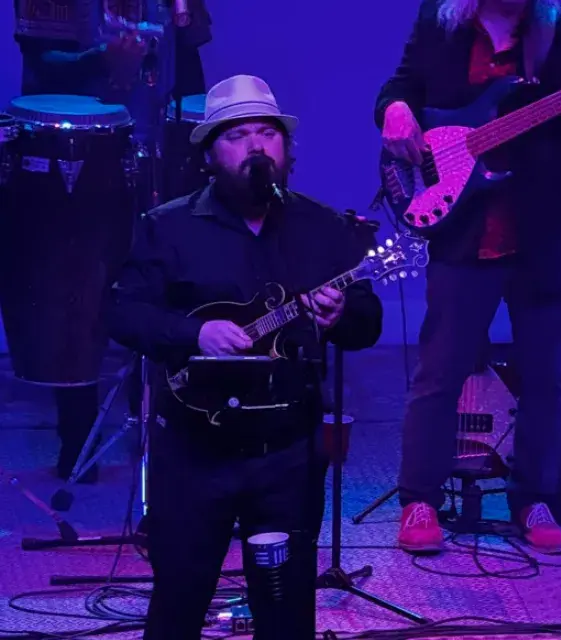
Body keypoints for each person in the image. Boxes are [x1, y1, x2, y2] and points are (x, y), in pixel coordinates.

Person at [105, 74, 384, 639]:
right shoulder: (169, 227)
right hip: (193, 449)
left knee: (284, 612)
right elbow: (123, 316)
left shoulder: (322, 227)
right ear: (210, 154)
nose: (257, 147)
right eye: (238, 135)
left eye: (268, 133)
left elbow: (366, 321)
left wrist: (339, 317)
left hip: (286, 451)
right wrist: (194, 334)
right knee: (180, 599)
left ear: (287, 148)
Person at [376, 0, 561, 554]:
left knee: (547, 380)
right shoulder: (442, 20)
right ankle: (419, 499)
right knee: (439, 373)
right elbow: (400, 88)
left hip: (550, 233)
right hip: (466, 227)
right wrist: (394, 109)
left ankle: (533, 499)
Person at [11, 0, 212, 482]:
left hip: (157, 136)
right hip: (79, 141)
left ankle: (161, 421)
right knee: (78, 285)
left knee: (167, 282)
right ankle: (78, 433)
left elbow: (190, 57)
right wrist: (103, 57)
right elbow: (42, 62)